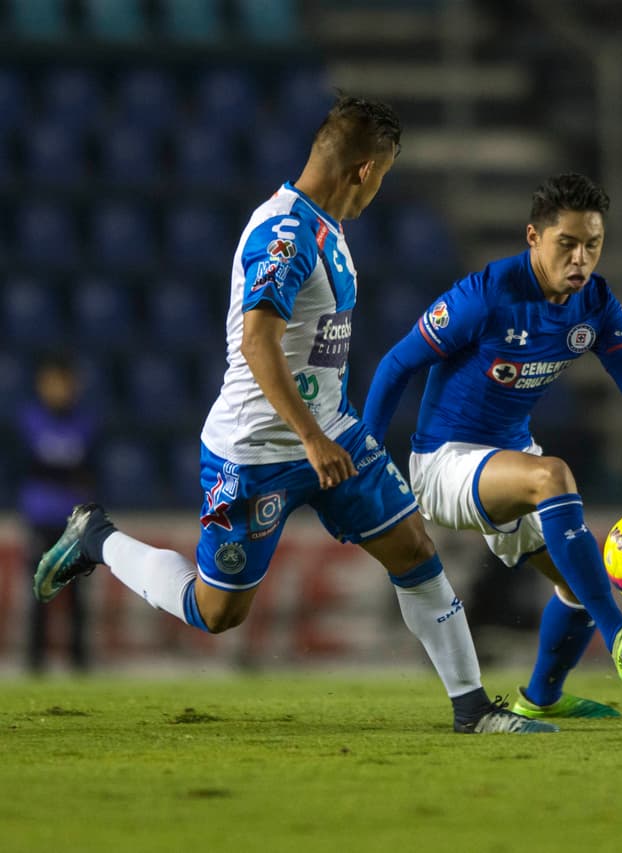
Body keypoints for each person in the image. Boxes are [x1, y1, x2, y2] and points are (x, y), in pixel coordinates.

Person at [34, 95, 552, 734]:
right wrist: (308, 436)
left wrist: (321, 429)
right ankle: (97, 539)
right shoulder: (285, 233)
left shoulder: (328, 228)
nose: (378, 191)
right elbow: (258, 342)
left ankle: (472, 709)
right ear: (365, 170)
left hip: (334, 432)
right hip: (258, 450)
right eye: (382, 176)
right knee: (219, 611)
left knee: (414, 549)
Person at [363, 172, 622, 719]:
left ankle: (541, 698)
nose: (581, 259)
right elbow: (397, 363)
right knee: (553, 476)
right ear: (534, 237)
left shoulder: (597, 303)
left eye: (593, 245)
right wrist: (369, 451)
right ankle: (619, 637)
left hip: (508, 458)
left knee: (579, 576)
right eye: (568, 244)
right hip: (446, 463)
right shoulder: (485, 295)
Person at [19, 353, 99, 674]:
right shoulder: (26, 420)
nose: (59, 389)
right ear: (41, 385)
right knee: (40, 592)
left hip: (75, 522)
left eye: (64, 383)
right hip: (40, 516)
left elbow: (92, 470)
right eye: (53, 383)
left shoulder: (89, 422)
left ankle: (80, 664)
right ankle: (35, 664)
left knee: (78, 598)